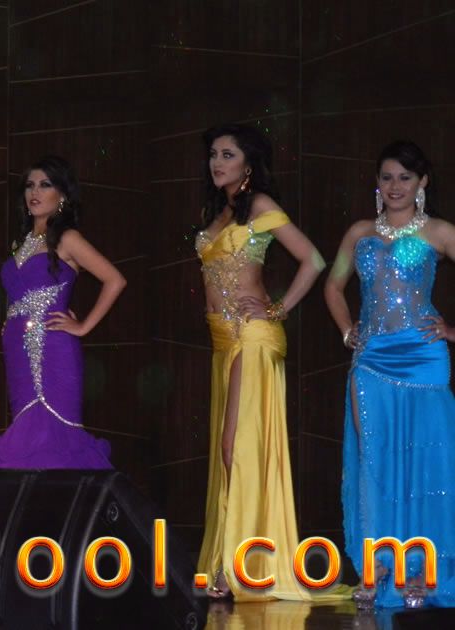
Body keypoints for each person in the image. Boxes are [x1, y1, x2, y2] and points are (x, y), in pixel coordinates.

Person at [195, 124, 329, 600]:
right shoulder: (218, 212)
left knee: (236, 448)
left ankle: (243, 567)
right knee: (226, 453)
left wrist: (278, 308)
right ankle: (228, 565)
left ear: (248, 163)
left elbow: (313, 260)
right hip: (222, 341)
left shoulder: (261, 206)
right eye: (214, 154)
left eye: (228, 155)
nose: (217, 162)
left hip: (253, 337)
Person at [325, 140, 455, 609]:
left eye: (405, 177)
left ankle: (423, 569)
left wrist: (450, 331)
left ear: (423, 182)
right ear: (376, 183)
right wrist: (348, 331)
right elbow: (333, 285)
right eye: (387, 177)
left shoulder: (439, 232)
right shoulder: (359, 232)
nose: (395, 186)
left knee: (425, 462)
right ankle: (380, 564)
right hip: (371, 359)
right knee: (374, 459)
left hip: (424, 357)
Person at [0, 155, 125, 468]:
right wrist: (12, 318)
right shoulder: (21, 243)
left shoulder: (67, 238)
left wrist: (83, 326)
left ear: (62, 195)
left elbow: (115, 280)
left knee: (55, 436)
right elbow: (22, 288)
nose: (34, 192)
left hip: (53, 348)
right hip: (17, 351)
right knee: (25, 435)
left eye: (45, 185)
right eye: (30, 185)